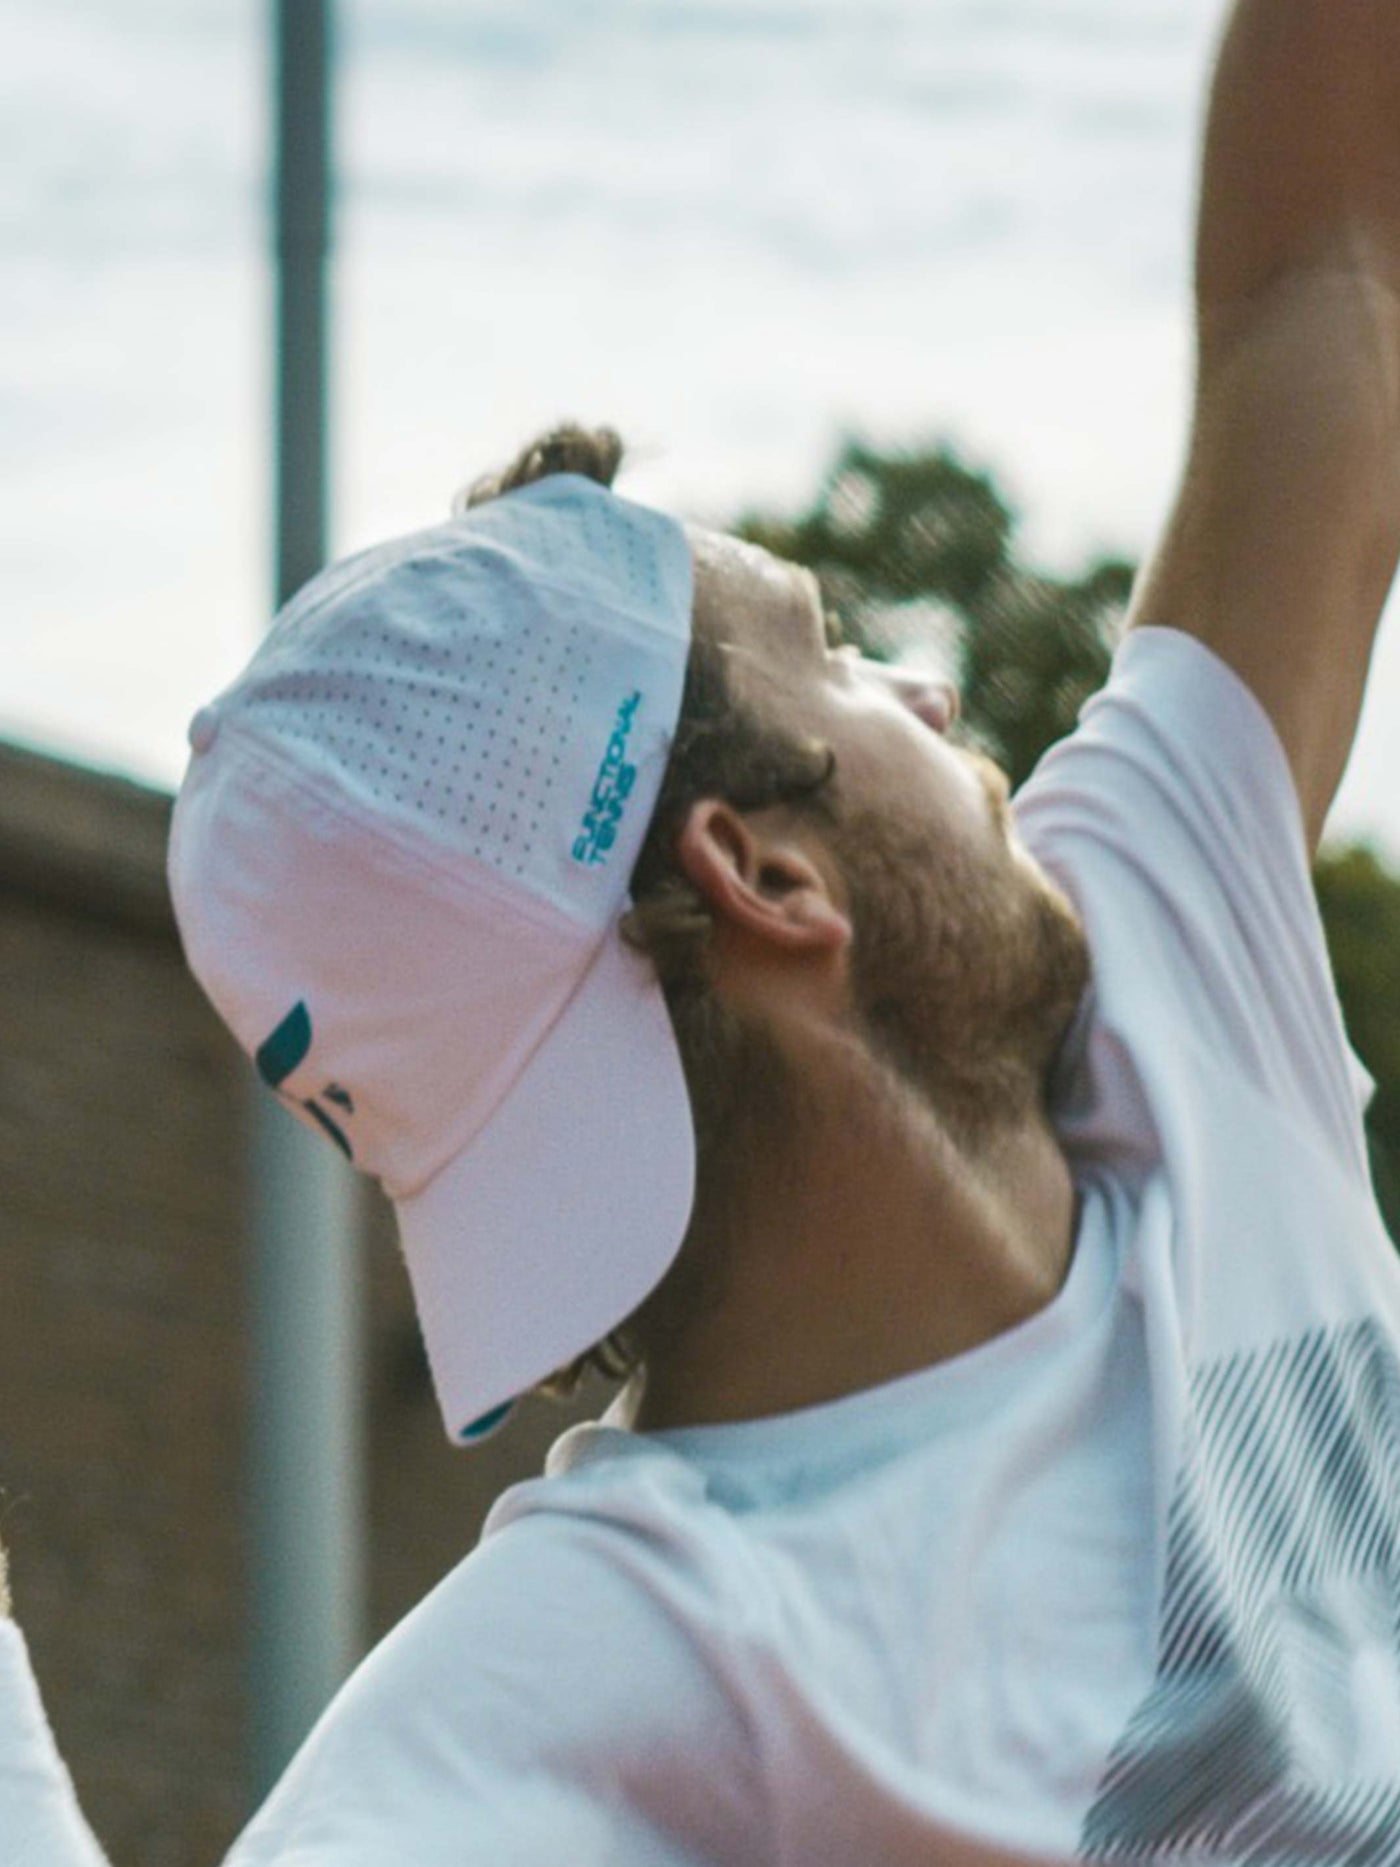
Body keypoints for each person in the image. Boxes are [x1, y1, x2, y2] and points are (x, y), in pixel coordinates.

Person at [6, 0, 1400, 1856]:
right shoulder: (573, 1707)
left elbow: (1333, 275)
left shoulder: (1161, 955)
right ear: (770, 877)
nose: (924, 694)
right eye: (836, 657)